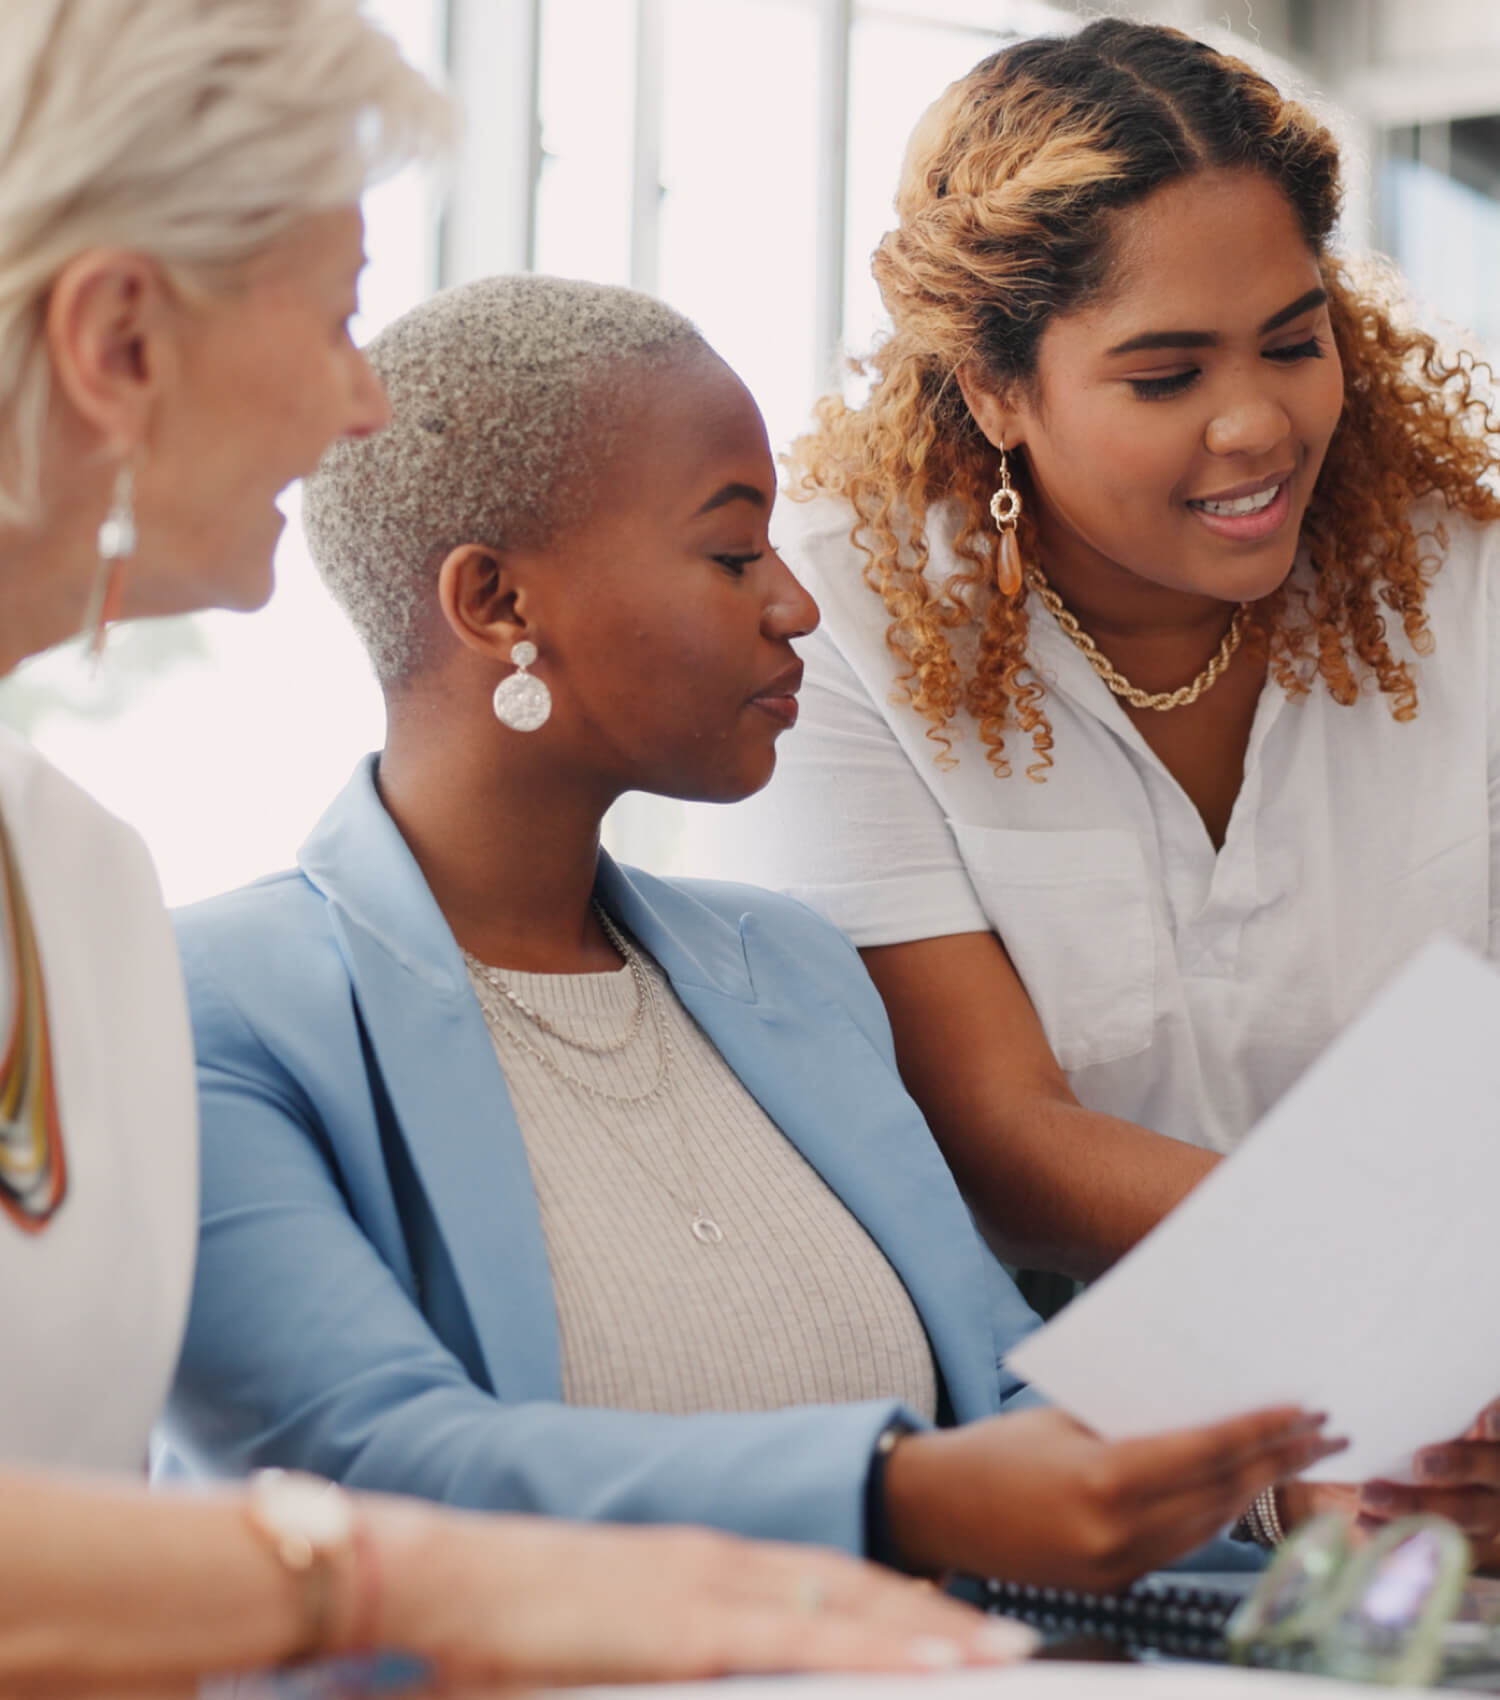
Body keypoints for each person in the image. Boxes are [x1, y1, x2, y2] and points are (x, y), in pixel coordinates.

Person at [0, 2, 1023, 1689]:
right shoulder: (213, 978)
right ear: (118, 341)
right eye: (334, 318)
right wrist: (404, 1582)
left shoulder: (84, 876)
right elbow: (353, 1456)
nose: (356, 408)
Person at [164, 272, 1340, 1594]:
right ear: (496, 603)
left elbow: (1008, 1447)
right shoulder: (211, 1013)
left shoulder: (786, 972)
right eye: (735, 555)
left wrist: (1318, 1529)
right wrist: (892, 1494)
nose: (796, 604)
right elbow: (370, 1466)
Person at [683, 17, 1500, 1556]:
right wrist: (1397, 1300)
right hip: (1059, 1484)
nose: (1256, 423)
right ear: (996, 389)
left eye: (1293, 338)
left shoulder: (1464, 582)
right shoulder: (838, 624)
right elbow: (999, 1128)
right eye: (1165, 373)